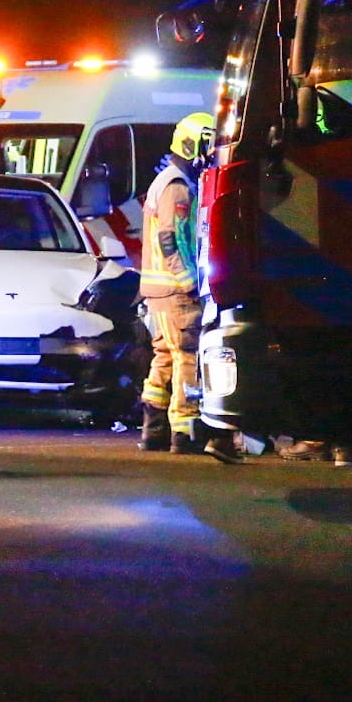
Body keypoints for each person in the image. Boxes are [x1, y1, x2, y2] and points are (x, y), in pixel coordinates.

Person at [138, 111, 220, 455]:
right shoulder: (177, 186)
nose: (211, 154)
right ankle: (183, 431)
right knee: (186, 355)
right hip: (175, 292)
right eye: (208, 146)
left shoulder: (165, 179)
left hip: (159, 291)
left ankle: (153, 429)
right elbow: (170, 237)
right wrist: (189, 282)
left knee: (165, 357)